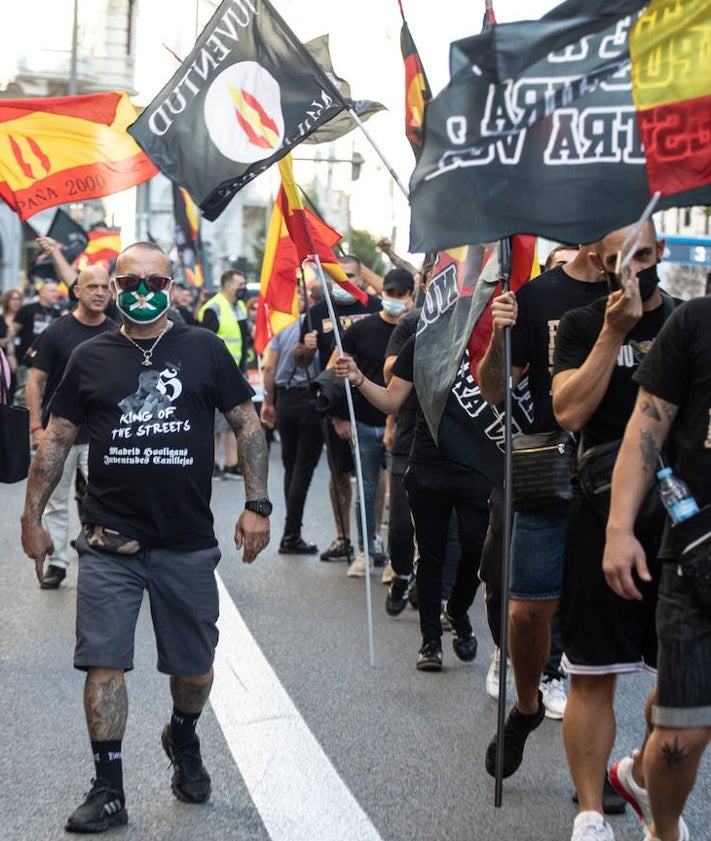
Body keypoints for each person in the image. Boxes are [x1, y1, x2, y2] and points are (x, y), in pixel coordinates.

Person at [20, 242, 270, 832]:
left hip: (185, 542)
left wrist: (257, 502)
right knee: (103, 663)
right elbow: (56, 442)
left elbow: (247, 424)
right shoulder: (90, 356)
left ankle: (182, 736)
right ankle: (109, 787)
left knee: (195, 669)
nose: (141, 293)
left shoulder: (203, 349)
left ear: (171, 284)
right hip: (109, 542)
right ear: (114, 284)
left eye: (154, 283)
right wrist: (32, 518)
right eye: (130, 282)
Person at [550, 220, 678, 841]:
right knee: (592, 672)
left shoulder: (686, 324)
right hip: (600, 515)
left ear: (662, 253)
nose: (633, 269)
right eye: (617, 260)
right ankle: (591, 808)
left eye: (645, 255)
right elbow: (569, 410)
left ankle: (639, 771)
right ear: (599, 265)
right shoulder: (580, 326)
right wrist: (612, 332)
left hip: (677, 525)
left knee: (682, 678)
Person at [477, 244, 610, 775]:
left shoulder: (649, 303)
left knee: (598, 634)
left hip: (616, 483)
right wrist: (498, 337)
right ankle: (528, 706)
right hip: (548, 475)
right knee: (527, 611)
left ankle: (594, 777)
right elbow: (493, 390)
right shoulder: (537, 297)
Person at [602, 297, 708, 841]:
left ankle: (642, 768)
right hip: (696, 556)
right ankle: (663, 827)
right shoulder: (694, 323)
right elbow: (645, 430)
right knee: (685, 735)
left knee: (682, 709)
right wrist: (619, 529)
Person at [335, 332, 486, 672]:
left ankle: (458, 610)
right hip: (429, 463)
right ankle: (430, 642)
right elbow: (392, 400)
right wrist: (359, 379)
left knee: (476, 549)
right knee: (430, 553)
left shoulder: (490, 330)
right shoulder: (424, 336)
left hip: (477, 466)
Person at [25, 265, 115, 589]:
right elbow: (34, 382)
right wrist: (36, 426)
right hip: (58, 433)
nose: (100, 293)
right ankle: (59, 563)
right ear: (76, 291)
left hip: (102, 434)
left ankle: (109, 556)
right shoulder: (57, 331)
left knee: (108, 498)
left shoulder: (117, 331)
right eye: (92, 287)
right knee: (55, 501)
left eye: (105, 287)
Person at [294, 256, 381, 563]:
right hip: (336, 404)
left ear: (362, 277)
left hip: (373, 401)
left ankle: (372, 538)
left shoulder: (375, 305)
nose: (344, 282)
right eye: (337, 276)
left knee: (375, 476)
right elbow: (302, 361)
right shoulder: (317, 312)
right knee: (340, 472)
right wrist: (306, 345)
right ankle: (343, 537)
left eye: (351, 276)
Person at [330, 267, 415, 577]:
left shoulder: (412, 329)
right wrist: (338, 415)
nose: (391, 299)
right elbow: (333, 373)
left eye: (398, 295)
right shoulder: (360, 330)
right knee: (366, 492)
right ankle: (366, 552)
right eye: (387, 293)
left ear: (410, 297)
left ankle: (397, 560)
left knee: (401, 501)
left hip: (402, 429)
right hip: (364, 425)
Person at [260, 284, 323, 554]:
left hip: (285, 401)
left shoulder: (281, 329)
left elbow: (269, 368)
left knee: (291, 466)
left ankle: (291, 529)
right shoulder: (317, 330)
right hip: (308, 401)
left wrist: (268, 401)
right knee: (302, 470)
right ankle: (291, 533)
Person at [198, 269, 250, 479]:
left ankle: (231, 464)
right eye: (240, 284)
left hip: (236, 370)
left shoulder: (239, 307)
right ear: (228, 285)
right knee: (214, 424)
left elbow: (242, 339)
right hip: (215, 373)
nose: (243, 288)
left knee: (231, 422)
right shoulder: (214, 308)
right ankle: (212, 466)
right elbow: (205, 342)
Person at [13, 278, 61, 405]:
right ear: (42, 293)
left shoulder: (57, 313)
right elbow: (13, 331)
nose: (56, 294)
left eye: (56, 291)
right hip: (27, 362)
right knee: (25, 399)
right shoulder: (27, 309)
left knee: (44, 400)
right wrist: (10, 355)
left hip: (48, 365)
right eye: (52, 291)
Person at [0, 288, 23, 403]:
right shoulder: (1, 319)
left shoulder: (24, 318)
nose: (16, 302)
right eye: (13, 299)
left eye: (18, 299)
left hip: (21, 358)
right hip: (3, 360)